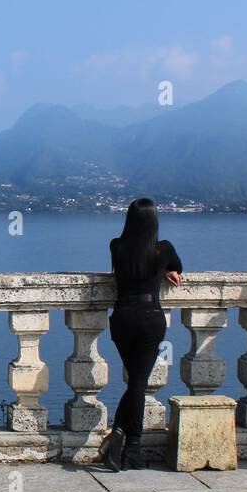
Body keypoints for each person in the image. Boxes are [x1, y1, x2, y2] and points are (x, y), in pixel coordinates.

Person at [98, 198, 182, 471]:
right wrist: (169, 270)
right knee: (138, 383)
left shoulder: (116, 246)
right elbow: (178, 265)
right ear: (154, 221)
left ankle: (120, 437)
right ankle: (130, 445)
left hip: (122, 319)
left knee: (136, 381)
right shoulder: (164, 249)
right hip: (150, 319)